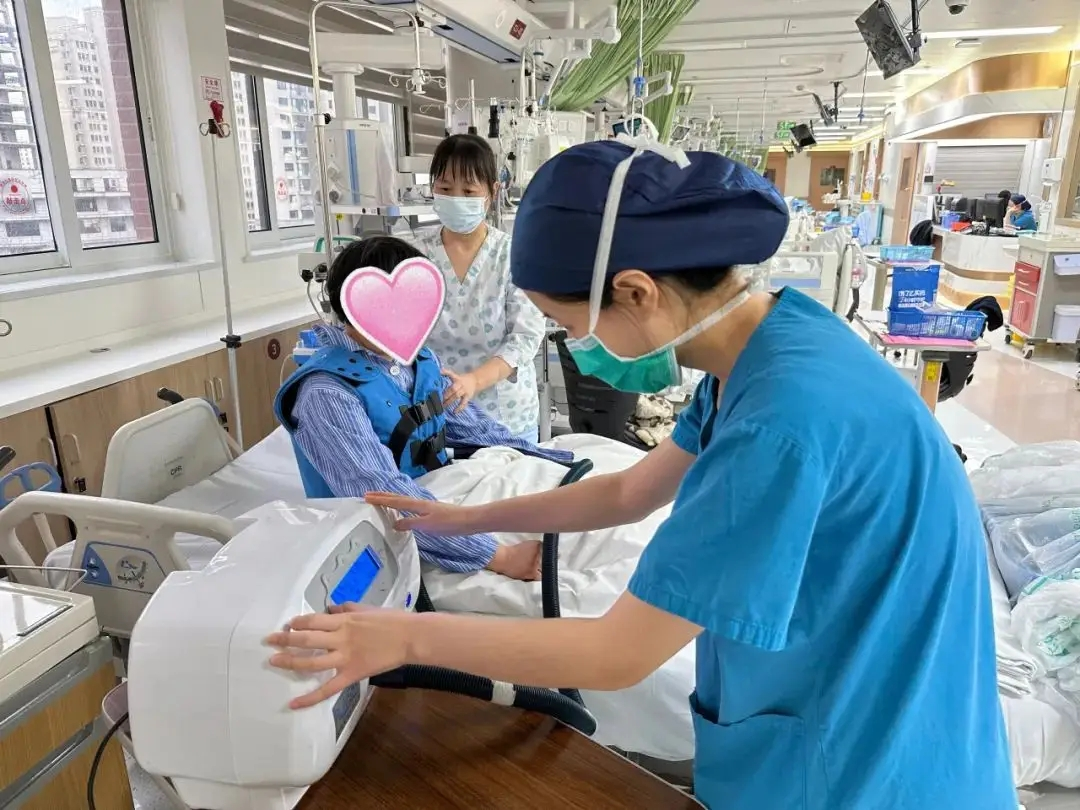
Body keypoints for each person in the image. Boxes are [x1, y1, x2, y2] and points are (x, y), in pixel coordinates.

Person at [268, 140, 1015, 809]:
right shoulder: (766, 348)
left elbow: (617, 654)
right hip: (846, 717)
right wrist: (467, 521)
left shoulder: (781, 424)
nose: (574, 344)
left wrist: (406, 639)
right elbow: (630, 491)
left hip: (862, 768)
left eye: (570, 324)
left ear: (634, 292)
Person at [272, 235, 572, 583]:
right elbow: (381, 495)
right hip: (385, 538)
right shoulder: (327, 394)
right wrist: (497, 555)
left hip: (441, 500)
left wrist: (554, 462)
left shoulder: (415, 361)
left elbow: (475, 428)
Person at [409, 134, 546, 442]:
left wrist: (473, 381)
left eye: (468, 190)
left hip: (506, 415)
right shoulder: (415, 256)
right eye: (445, 188)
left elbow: (525, 337)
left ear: (492, 192)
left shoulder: (514, 255)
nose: (456, 198)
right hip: (436, 413)